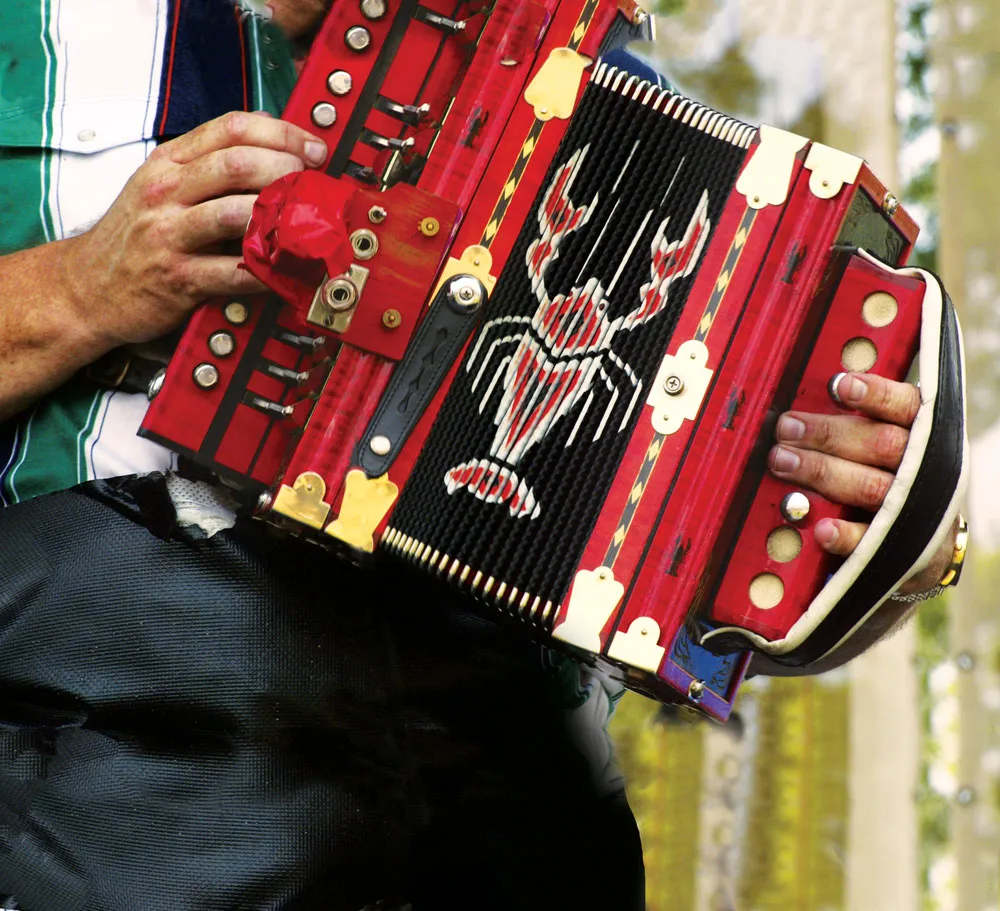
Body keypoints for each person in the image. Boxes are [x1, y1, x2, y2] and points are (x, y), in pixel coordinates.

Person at [0, 2, 959, 909]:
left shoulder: (614, 113)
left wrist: (881, 533)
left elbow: (697, 596)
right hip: (91, 768)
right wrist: (75, 294)